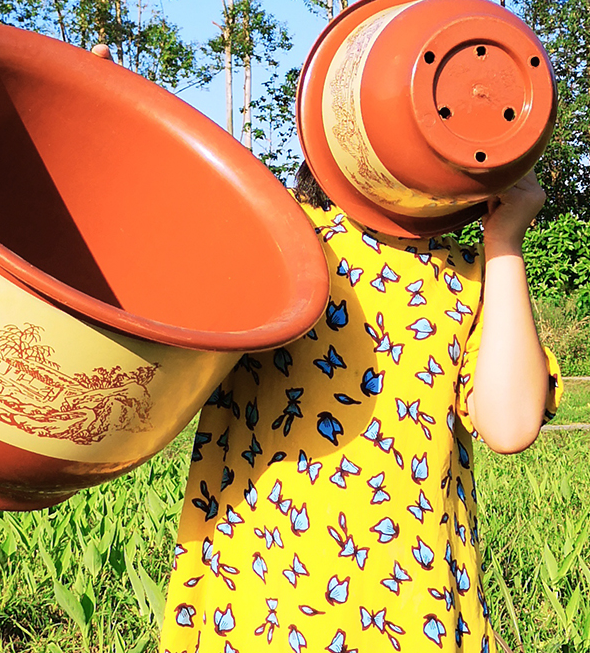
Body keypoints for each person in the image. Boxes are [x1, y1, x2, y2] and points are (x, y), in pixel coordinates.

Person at [159, 161, 562, 653]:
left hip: (412, 598)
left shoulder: (471, 276)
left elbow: (510, 425)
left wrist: (504, 243)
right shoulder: (282, 238)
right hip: (267, 589)